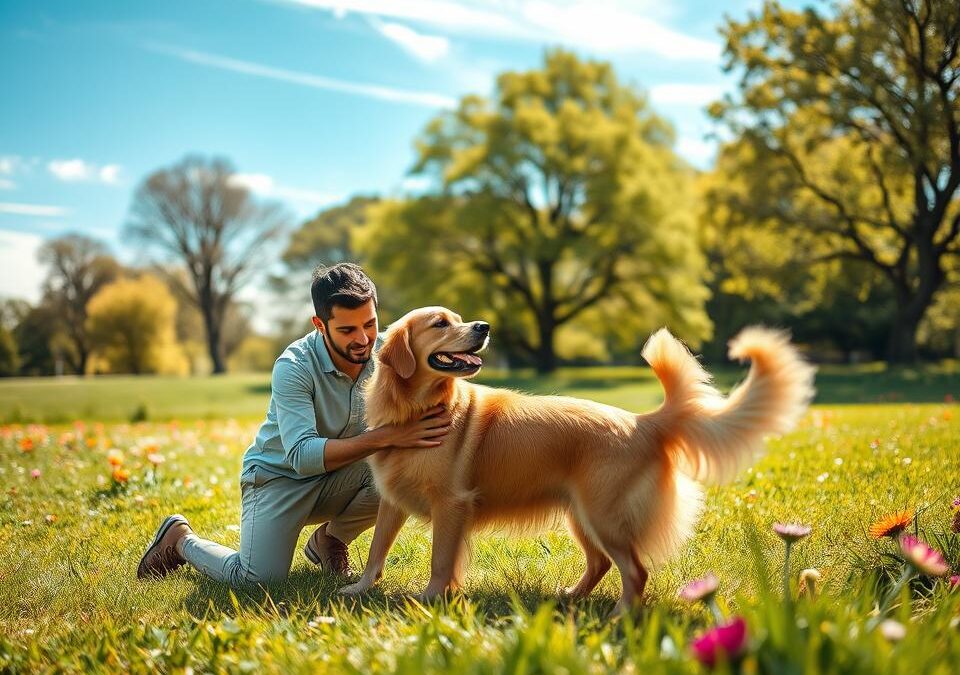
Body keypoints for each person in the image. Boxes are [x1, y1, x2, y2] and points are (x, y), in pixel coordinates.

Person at [136, 263, 451, 585]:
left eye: (370, 324)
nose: (363, 339)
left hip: (345, 472)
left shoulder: (389, 353)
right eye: (347, 330)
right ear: (320, 324)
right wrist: (389, 436)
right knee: (256, 579)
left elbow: (440, 365)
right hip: (279, 480)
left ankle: (331, 539)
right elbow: (302, 455)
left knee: (402, 468)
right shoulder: (294, 366)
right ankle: (180, 541)